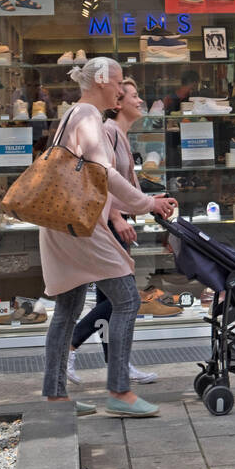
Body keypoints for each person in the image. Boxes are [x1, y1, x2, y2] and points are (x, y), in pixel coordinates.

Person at [40, 58, 177, 417]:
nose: (121, 90)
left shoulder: (75, 115)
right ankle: (119, 391)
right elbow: (104, 173)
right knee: (127, 299)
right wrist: (146, 203)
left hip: (63, 222)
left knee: (67, 309)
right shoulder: (88, 117)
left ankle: (56, 399)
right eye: (118, 83)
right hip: (80, 227)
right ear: (101, 81)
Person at [67, 78, 159, 386]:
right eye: (134, 96)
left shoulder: (121, 134)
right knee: (123, 297)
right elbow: (99, 178)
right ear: (118, 103)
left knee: (114, 298)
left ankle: (118, 365)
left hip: (116, 222)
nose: (139, 101)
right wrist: (118, 216)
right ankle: (72, 345)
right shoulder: (108, 131)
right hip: (108, 223)